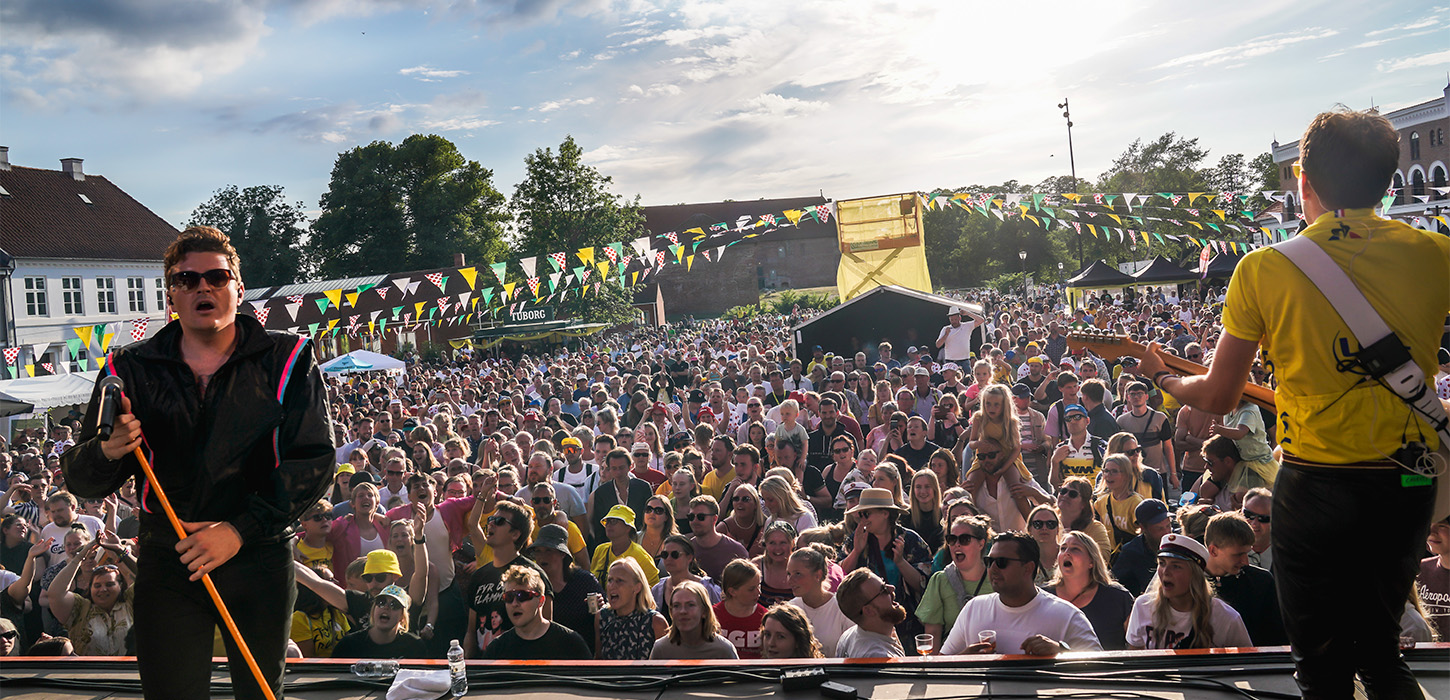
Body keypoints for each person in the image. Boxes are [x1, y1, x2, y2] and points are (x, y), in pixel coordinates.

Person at [1140, 109, 1449, 698]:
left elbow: (1218, 394)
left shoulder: (1263, 269)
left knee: (1322, 667)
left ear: (1302, 179)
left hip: (1317, 484)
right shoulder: (1437, 253)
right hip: (1405, 480)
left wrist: (1163, 377)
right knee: (1383, 655)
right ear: (1388, 182)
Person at [61, 226, 333, 699]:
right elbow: (83, 478)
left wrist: (237, 530)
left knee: (260, 693)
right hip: (170, 561)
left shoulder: (287, 357)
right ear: (172, 294)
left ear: (238, 288)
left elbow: (313, 460)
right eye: (187, 280)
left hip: (258, 555)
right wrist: (108, 450)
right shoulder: (129, 369)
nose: (202, 287)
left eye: (216, 277)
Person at [939, 532, 1101, 656]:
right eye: (989, 561)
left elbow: (1101, 666)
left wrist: (1061, 651)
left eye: (1002, 562)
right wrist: (964, 660)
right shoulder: (973, 608)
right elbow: (942, 662)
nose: (993, 568)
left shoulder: (1066, 615)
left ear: (1028, 568)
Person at [840, 487, 932, 647]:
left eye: (866, 514)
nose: (862, 519)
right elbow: (841, 578)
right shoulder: (857, 538)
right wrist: (856, 551)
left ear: (885, 513)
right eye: (860, 514)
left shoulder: (910, 540)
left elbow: (924, 585)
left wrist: (901, 562)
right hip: (871, 623)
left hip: (908, 624)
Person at [1125, 533, 1251, 650]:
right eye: (1162, 563)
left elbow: (1247, 663)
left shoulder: (1226, 617)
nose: (1165, 572)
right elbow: (1135, 656)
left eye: (1176, 566)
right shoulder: (1143, 606)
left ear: (1195, 575)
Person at [465, 499, 551, 657]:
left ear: (515, 534)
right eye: (491, 519)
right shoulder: (479, 576)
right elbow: (471, 632)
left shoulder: (533, 575)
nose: (491, 524)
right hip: (484, 670)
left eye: (499, 521)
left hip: (519, 669)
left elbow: (546, 631)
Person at [1203, 511, 1287, 647]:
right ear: (1213, 551)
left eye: (1247, 553)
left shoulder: (1261, 582)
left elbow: (1278, 638)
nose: (1245, 561)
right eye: (1238, 555)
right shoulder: (1189, 582)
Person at [1044, 531, 1134, 651]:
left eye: (1075, 549)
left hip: (1107, 668)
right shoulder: (1043, 596)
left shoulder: (1118, 597)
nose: (1066, 553)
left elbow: (1136, 645)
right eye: (1063, 548)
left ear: (1091, 562)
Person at [917, 514, 993, 654]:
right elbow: (933, 634)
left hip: (993, 662)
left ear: (981, 544)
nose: (957, 544)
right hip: (952, 664)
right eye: (952, 539)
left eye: (965, 539)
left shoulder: (996, 579)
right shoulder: (940, 581)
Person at [482, 564, 591, 660]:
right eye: (509, 597)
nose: (515, 603)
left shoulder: (571, 643)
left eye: (522, 596)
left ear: (541, 601)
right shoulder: (496, 649)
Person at [527, 524, 604, 655]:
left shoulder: (585, 581)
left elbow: (607, 617)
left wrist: (602, 607)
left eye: (548, 550)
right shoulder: (531, 584)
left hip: (583, 658)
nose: (541, 557)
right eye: (538, 551)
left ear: (562, 554)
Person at [784, 546, 853, 656]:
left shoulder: (842, 608)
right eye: (789, 574)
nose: (790, 581)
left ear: (818, 575)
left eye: (797, 574)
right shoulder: (790, 609)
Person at [330, 585, 431, 659]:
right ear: (373, 610)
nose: (386, 607)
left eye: (394, 605)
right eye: (381, 602)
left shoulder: (414, 646)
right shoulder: (348, 645)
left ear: (402, 617)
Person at [595, 557, 668, 660]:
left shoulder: (655, 622)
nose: (612, 586)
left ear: (637, 587)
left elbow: (667, 666)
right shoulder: (602, 617)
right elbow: (598, 659)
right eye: (610, 580)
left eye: (619, 581)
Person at [650, 580, 738, 659]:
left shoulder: (724, 650)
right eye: (677, 606)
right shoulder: (661, 649)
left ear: (704, 611)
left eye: (690, 605)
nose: (683, 611)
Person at [833, 568, 906, 658]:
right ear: (868, 611)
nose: (891, 588)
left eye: (884, 583)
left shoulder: (848, 636)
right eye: (883, 589)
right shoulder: (878, 657)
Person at [1111, 499, 1174, 597]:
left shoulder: (1178, 543)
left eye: (1168, 526)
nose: (1167, 532)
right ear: (1143, 528)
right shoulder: (1131, 552)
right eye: (1159, 528)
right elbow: (1115, 585)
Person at [591, 504, 659, 587]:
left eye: (614, 521)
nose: (608, 525)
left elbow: (655, 587)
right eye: (607, 521)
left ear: (628, 527)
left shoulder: (640, 555)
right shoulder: (600, 550)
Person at [1093, 455, 1144, 560]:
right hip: (1109, 558)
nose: (1108, 475)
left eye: (1114, 471)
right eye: (1106, 471)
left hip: (1131, 558)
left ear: (1126, 475)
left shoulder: (1136, 503)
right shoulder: (1101, 503)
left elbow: (1144, 537)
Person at [713, 558, 767, 658]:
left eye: (758, 586)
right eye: (751, 589)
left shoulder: (765, 617)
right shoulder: (712, 616)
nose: (758, 593)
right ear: (732, 591)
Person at [687, 495, 749, 580]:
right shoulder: (686, 549)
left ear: (714, 519)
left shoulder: (736, 551)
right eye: (691, 517)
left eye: (701, 517)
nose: (694, 521)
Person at [1057, 477, 1111, 559]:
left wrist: (1076, 543)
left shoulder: (1095, 528)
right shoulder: (1048, 522)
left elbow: (1103, 557)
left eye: (1072, 494)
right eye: (1063, 491)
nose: (1065, 496)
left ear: (1084, 504)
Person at [1418, 515, 1450, 641]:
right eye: (1429, 524)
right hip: (1427, 657)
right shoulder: (1419, 570)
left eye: (1441, 526)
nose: (1431, 532)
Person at [759, 602, 826, 659]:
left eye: (780, 637)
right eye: (767, 635)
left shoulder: (816, 671)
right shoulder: (756, 672)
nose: (771, 643)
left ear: (798, 640)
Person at [1241, 487, 1274, 571]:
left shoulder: (1285, 555)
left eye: (1263, 518)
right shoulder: (1227, 552)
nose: (1254, 524)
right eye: (1249, 514)